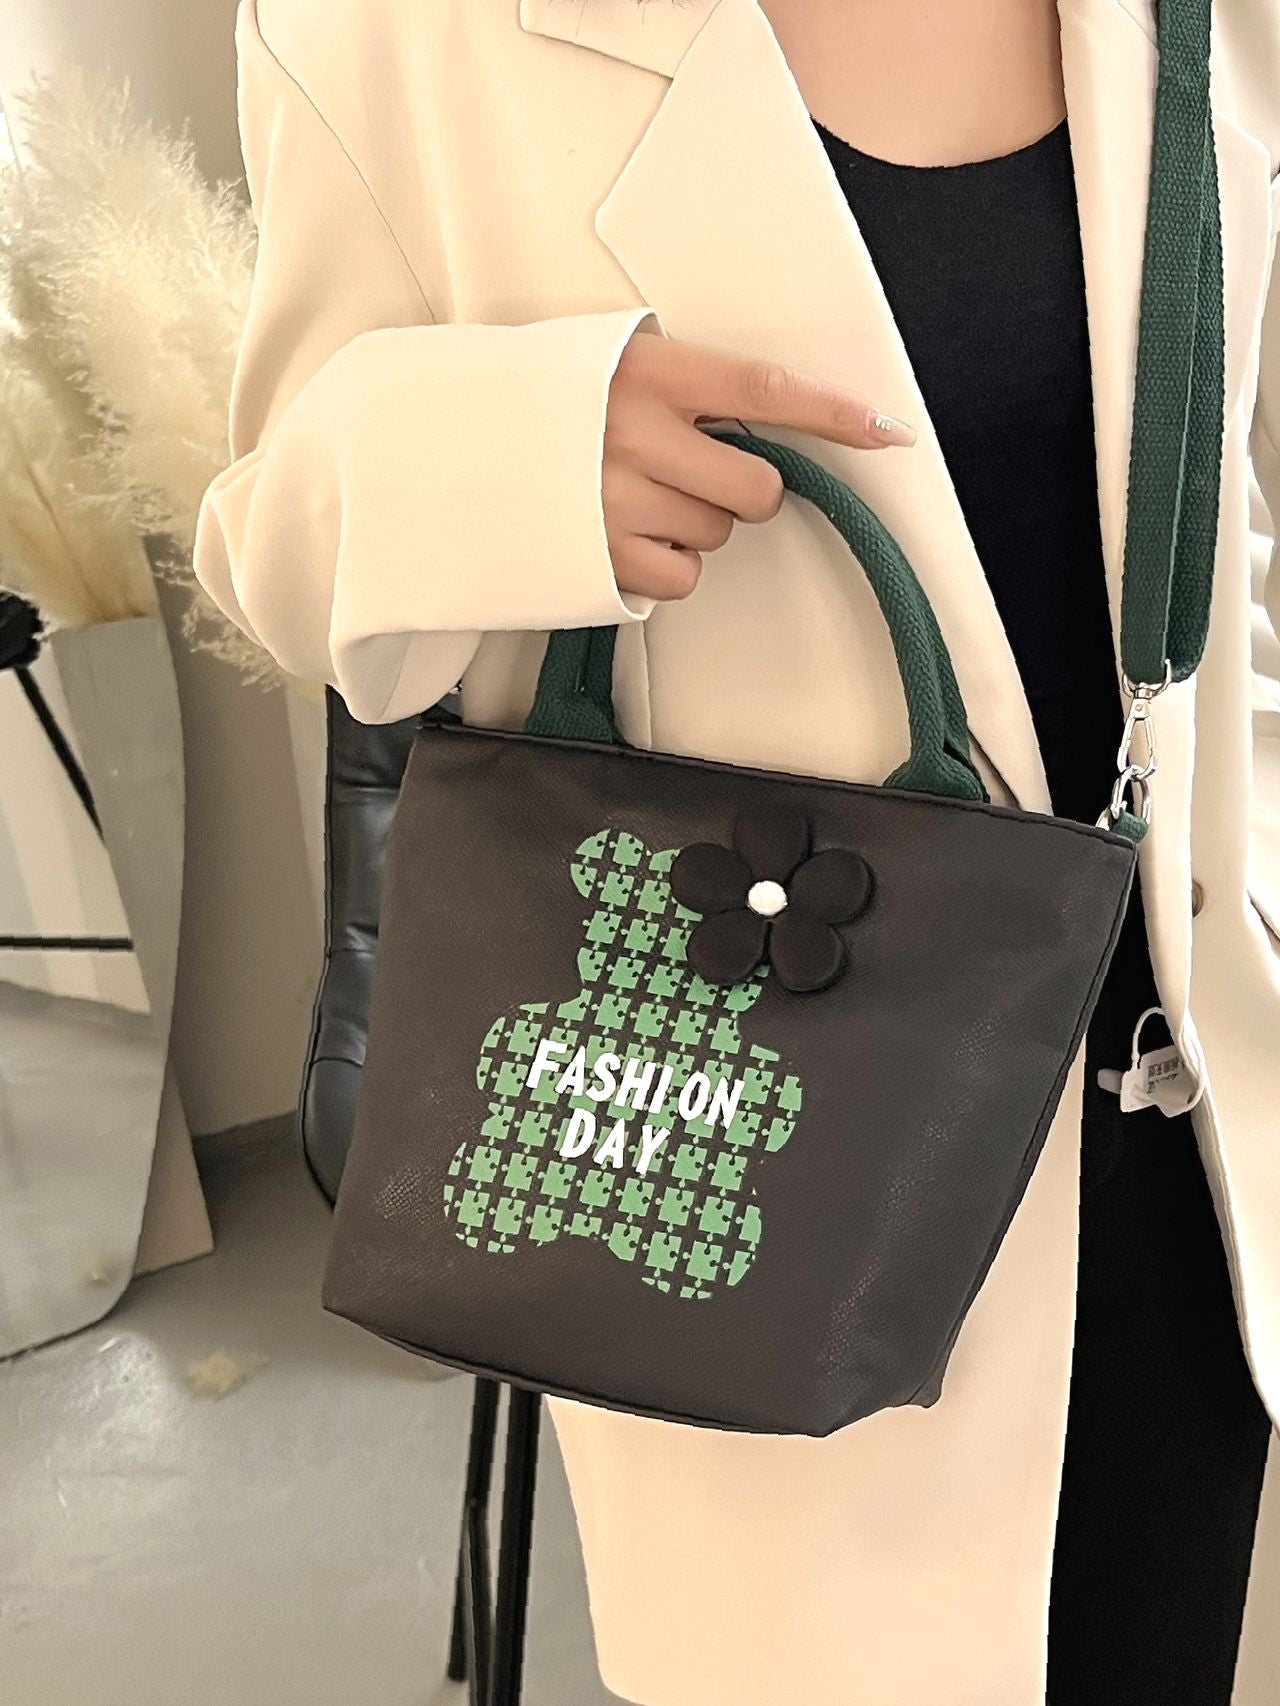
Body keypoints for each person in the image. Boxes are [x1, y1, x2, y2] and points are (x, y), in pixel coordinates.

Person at [194, 1, 1280, 1701]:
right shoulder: (391, 34)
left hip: (1182, 1142)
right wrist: (520, 449)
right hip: (758, 1177)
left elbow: (1222, 504)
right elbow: (269, 548)